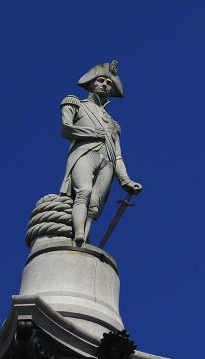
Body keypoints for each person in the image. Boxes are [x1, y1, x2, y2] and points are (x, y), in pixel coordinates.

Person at [59, 60, 143, 246]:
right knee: (84, 192)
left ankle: (85, 238)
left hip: (107, 163)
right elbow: (66, 129)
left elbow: (118, 156)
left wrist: (126, 181)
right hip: (85, 153)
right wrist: (92, 133)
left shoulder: (113, 124)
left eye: (109, 83)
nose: (105, 84)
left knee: (94, 206)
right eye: (101, 80)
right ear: (92, 82)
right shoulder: (75, 103)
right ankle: (78, 233)